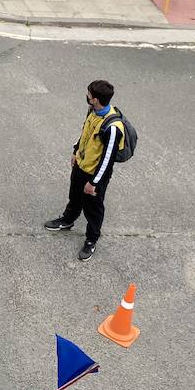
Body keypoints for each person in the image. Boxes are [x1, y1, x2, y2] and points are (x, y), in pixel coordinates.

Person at [44, 78, 125, 262]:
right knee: (74, 196)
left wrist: (94, 182)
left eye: (89, 93)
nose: (87, 95)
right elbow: (85, 133)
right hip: (81, 165)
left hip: (95, 175)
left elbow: (107, 160)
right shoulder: (93, 110)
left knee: (94, 209)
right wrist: (75, 150)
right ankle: (68, 220)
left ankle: (91, 240)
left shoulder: (113, 128)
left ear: (95, 99)